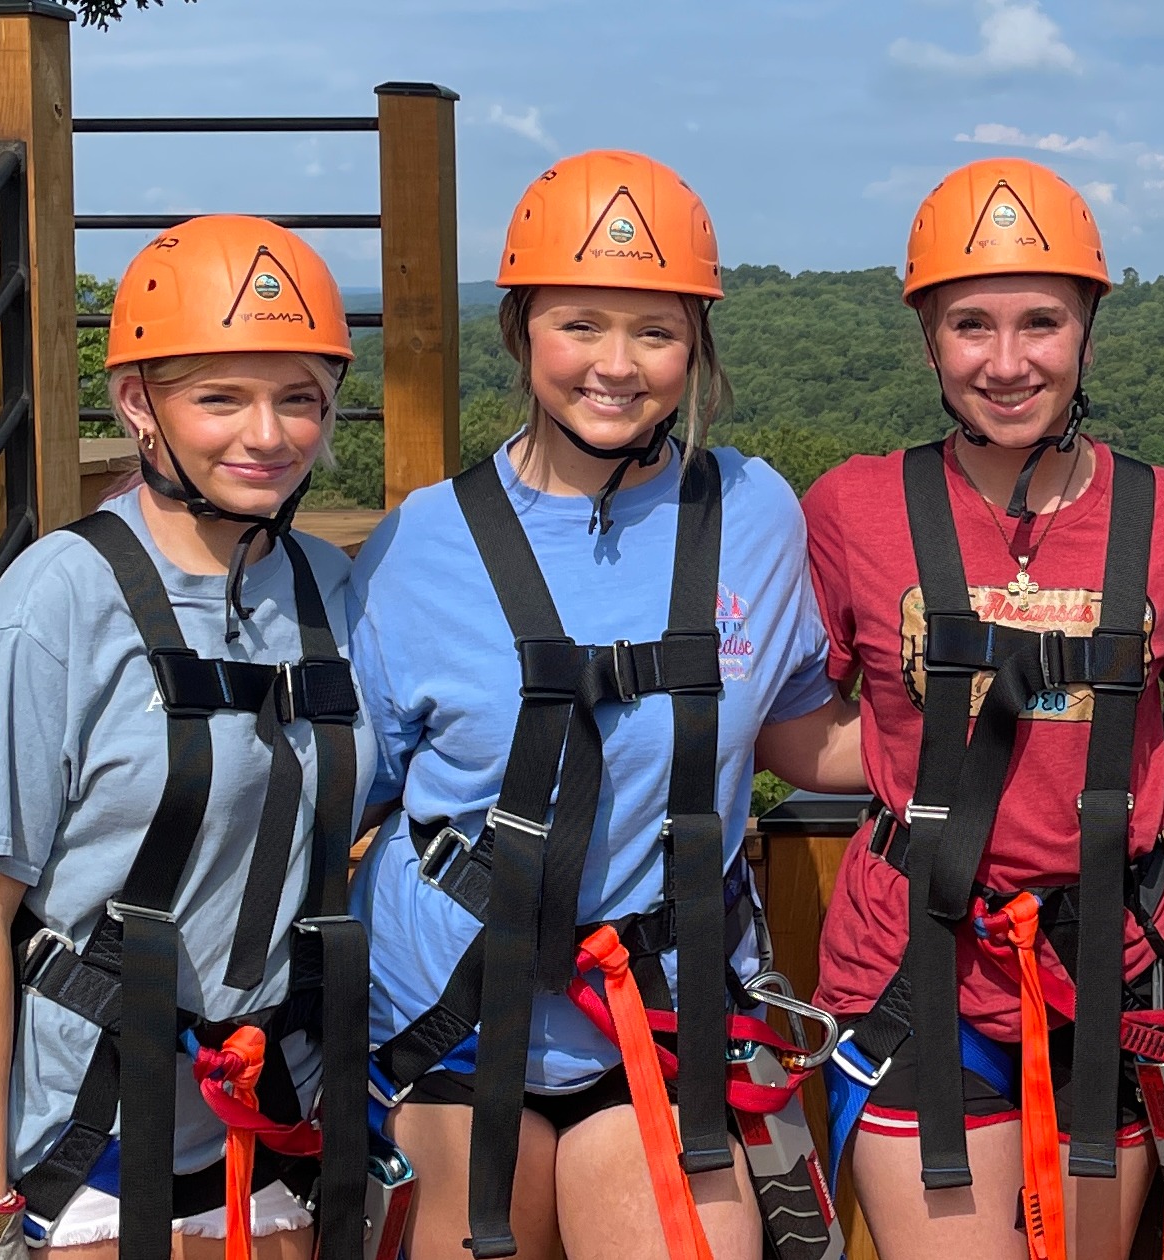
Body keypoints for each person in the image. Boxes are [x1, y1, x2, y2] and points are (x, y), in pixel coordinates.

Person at [348, 150, 861, 1260]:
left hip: (662, 1013)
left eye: (656, 331)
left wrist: (1061, 711)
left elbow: (803, 735)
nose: (617, 367)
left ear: (698, 347)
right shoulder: (418, 549)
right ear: (522, 328)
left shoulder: (753, 516)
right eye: (581, 323)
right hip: (449, 1012)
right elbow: (329, 794)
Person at [0, 216, 374, 1260]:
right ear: (139, 405)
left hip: (261, 1123)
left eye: (300, 397)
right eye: (220, 397)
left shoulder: (328, 593)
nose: (267, 433)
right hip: (73, 1142)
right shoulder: (53, 608)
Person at [802, 156, 1164, 1260]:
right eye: (969, 326)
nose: (1006, 363)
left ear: (1087, 328)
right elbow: (787, 729)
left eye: (1040, 322)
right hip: (914, 962)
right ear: (930, 340)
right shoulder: (855, 506)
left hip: (1108, 958)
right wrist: (924, 755)